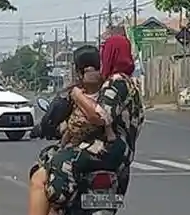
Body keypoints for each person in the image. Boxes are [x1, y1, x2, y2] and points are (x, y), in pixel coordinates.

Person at [27, 46, 126, 215]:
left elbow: (89, 120)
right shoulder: (114, 89)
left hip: (81, 155)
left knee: (38, 178)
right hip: (115, 159)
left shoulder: (75, 93)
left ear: (78, 69)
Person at [96, 32, 145, 196]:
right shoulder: (133, 85)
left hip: (106, 154)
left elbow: (101, 117)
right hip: (126, 158)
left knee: (49, 169)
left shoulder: (115, 83)